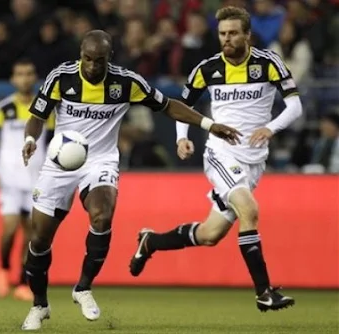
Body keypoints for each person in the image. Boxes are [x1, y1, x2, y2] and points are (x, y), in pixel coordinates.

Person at [19, 29, 241, 330]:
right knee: (39, 238)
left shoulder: (127, 83)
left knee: (102, 216)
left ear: (109, 58)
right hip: (60, 163)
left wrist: (208, 124)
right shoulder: (61, 78)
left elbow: (168, 106)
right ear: (80, 56)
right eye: (87, 59)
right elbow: (37, 116)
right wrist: (30, 139)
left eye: (99, 61)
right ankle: (39, 305)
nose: (93, 66)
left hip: (100, 160)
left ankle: (83, 288)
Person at [129, 6, 302, 312]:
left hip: (253, 160)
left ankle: (150, 242)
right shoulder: (207, 69)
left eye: (233, 33)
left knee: (210, 235)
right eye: (222, 33)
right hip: (221, 153)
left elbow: (295, 105)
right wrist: (181, 137)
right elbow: (181, 106)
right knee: (249, 209)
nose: (227, 39)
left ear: (247, 35)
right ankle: (264, 292)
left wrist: (270, 128)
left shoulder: (267, 63)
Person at [0, 59, 55, 301]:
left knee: (32, 235)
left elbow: (54, 144)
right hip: (10, 181)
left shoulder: (46, 111)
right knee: (10, 228)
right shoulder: (3, 110)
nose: (24, 78)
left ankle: (23, 282)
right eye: (20, 73)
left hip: (36, 181)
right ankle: (3, 268)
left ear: (35, 78)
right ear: (13, 79)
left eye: (29, 73)